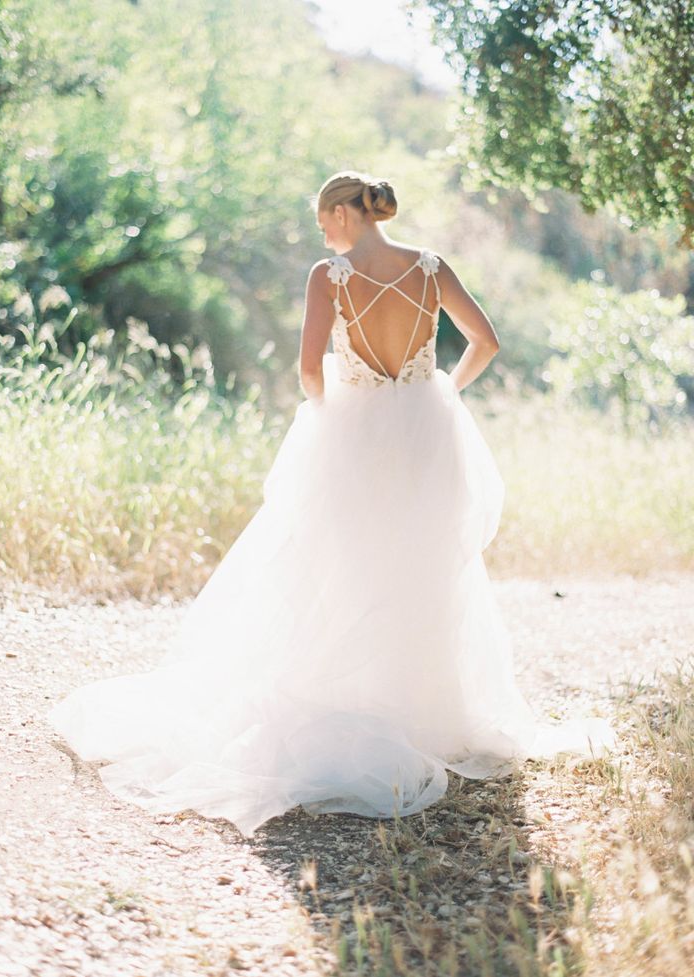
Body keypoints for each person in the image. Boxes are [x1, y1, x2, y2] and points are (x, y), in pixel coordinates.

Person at [47, 170, 615, 838]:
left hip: (353, 430)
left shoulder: (331, 276)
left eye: (324, 217)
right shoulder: (431, 268)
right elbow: (486, 342)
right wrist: (443, 392)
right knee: (423, 566)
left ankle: (352, 698)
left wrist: (331, 419)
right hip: (428, 433)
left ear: (347, 213)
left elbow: (309, 368)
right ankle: (424, 711)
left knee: (340, 566)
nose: (322, 231)